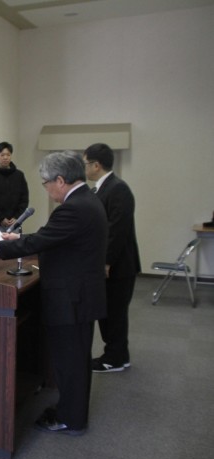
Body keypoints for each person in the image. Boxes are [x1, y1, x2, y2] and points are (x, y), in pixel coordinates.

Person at [0, 151, 107, 436]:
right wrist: (18, 239)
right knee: (75, 359)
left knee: (71, 362)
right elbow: (53, 238)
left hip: (72, 298)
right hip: (82, 294)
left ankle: (71, 419)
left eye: (46, 183)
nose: (47, 190)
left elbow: (48, 238)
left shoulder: (73, 208)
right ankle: (72, 412)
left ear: (60, 180)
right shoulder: (86, 200)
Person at [84, 143, 141, 373]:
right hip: (111, 264)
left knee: (114, 314)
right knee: (109, 313)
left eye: (86, 164)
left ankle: (114, 359)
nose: (84, 168)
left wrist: (106, 262)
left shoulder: (118, 189)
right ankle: (118, 355)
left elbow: (117, 229)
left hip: (119, 266)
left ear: (96, 165)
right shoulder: (100, 189)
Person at [0, 142, 29, 229]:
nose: (5, 157)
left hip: (15, 222)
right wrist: (0, 218)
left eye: (8, 155)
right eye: (2, 155)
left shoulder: (19, 175)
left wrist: (17, 217)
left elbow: (24, 198)